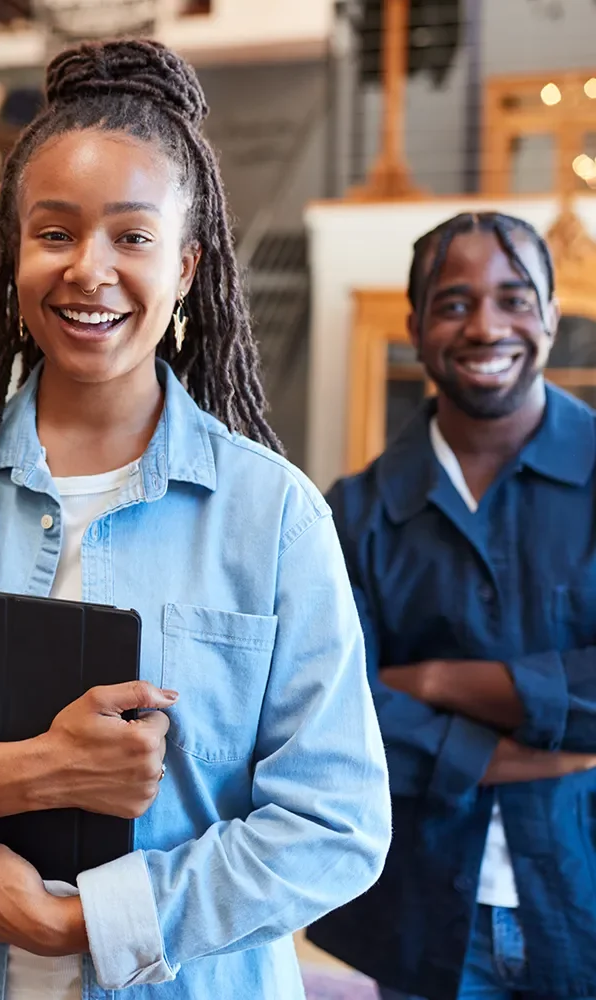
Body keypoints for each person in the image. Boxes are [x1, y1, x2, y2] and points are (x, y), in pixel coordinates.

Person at [0, 40, 391, 1000]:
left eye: (132, 237)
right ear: (14, 250)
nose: (89, 270)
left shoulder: (273, 516)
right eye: (54, 232)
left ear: (186, 267)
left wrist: (80, 923)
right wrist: (30, 772)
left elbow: (337, 825)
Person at [307, 212, 596, 1000]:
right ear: (416, 327)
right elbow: (343, 717)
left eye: (513, 299)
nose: (487, 327)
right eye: (455, 302)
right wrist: (538, 751)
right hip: (426, 913)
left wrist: (433, 681)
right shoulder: (355, 512)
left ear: (551, 314)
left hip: (584, 899)